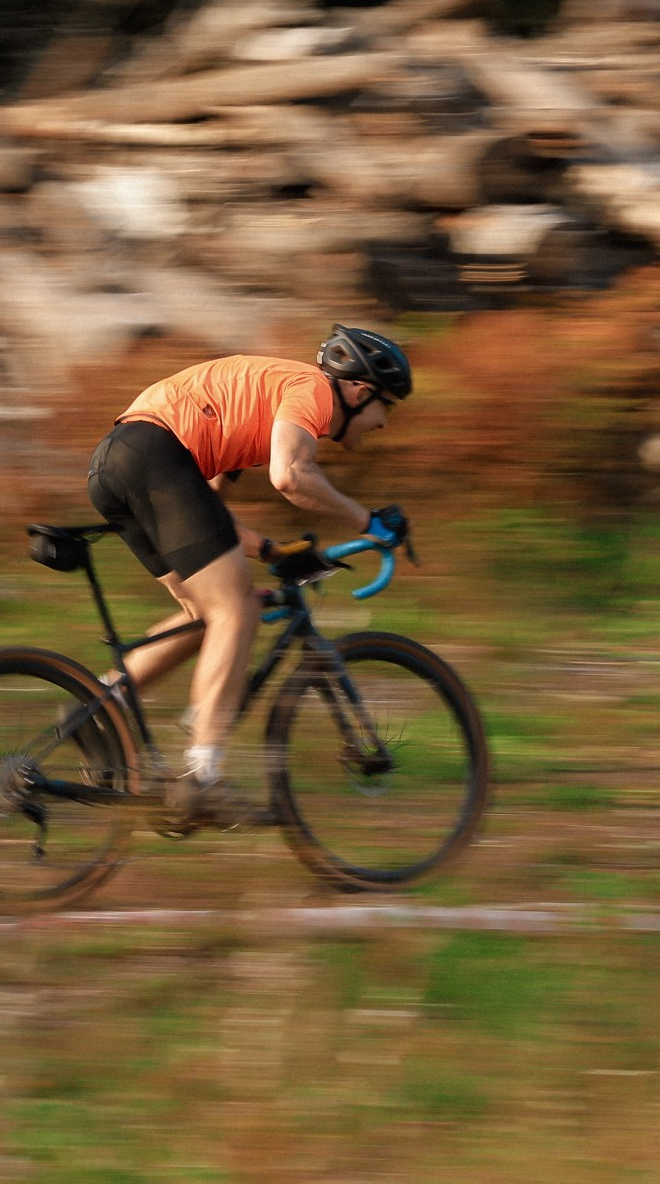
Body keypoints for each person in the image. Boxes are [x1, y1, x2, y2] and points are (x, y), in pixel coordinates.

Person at [86, 324, 414, 827]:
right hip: (155, 454)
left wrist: (268, 549)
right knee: (233, 610)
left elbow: (207, 510)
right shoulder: (313, 390)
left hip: (118, 463)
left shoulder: (257, 414)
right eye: (385, 407)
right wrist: (368, 522)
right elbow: (291, 475)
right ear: (359, 390)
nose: (383, 423)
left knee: (204, 616)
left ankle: (97, 710)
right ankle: (203, 778)